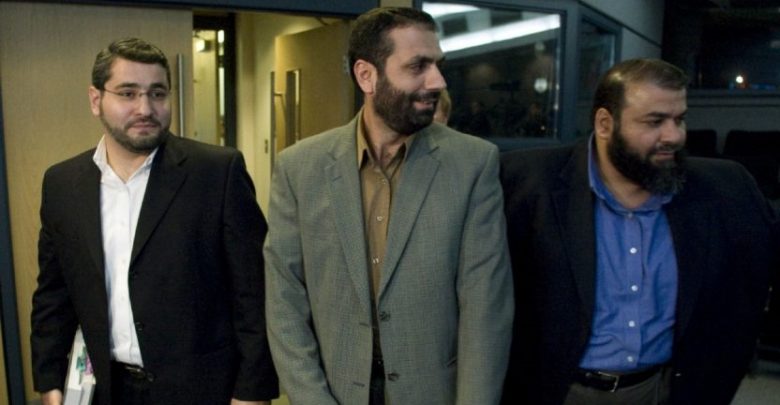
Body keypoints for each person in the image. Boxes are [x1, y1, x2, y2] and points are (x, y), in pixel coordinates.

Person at [264, 7, 513, 405]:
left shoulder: (473, 164)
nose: (438, 81)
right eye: (418, 66)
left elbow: (485, 311)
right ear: (366, 75)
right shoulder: (299, 168)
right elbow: (285, 302)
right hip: (334, 391)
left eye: (438, 64)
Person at [500, 58, 779, 405]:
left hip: (662, 390)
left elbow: (758, 272)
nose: (674, 136)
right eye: (655, 121)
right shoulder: (525, 182)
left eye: (679, 119)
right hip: (556, 391)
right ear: (605, 123)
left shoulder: (726, 187)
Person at [30, 38, 278, 405]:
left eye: (157, 93)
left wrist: (251, 394)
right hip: (104, 389)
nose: (145, 108)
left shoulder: (217, 173)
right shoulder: (63, 184)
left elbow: (254, 295)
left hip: (202, 391)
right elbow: (53, 297)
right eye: (128, 93)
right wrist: (49, 384)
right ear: (96, 100)